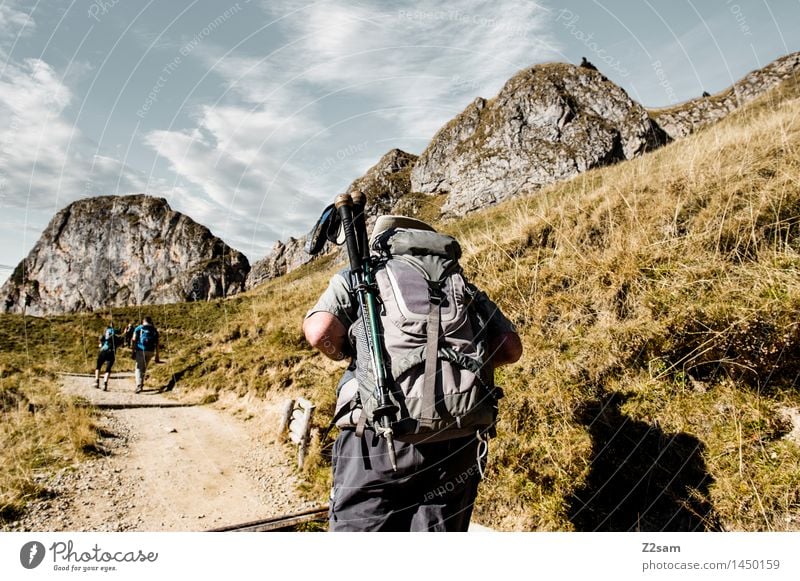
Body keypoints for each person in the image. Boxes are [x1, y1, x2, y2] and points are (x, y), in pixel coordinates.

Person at [303, 215, 522, 531]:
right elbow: (510, 349)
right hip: (458, 440)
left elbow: (318, 331)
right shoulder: (462, 285)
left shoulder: (363, 276)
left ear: (384, 242)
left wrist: (353, 357)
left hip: (379, 432)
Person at [131, 316, 159, 393]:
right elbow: (157, 343)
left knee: (138, 368)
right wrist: (157, 355)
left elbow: (133, 340)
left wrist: (133, 351)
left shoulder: (139, 328)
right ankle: (141, 384)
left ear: (143, 321)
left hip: (140, 350)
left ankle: (139, 385)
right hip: (150, 351)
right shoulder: (154, 330)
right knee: (144, 368)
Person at [94, 322, 118, 390]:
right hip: (112, 352)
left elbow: (101, 340)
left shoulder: (106, 332)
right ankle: (105, 384)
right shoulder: (116, 334)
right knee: (108, 369)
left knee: (98, 366)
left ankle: (97, 382)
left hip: (104, 351)